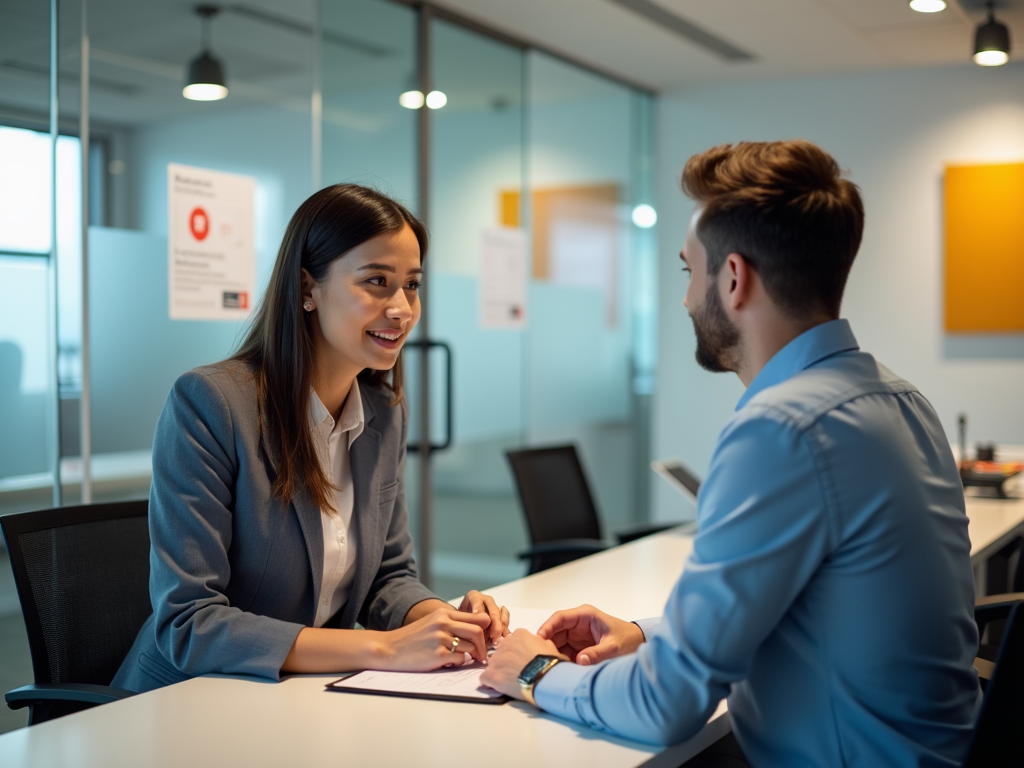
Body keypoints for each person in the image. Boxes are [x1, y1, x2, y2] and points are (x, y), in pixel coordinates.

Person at [481, 140, 979, 767]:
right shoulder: (900, 399)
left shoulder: (783, 429)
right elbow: (809, 601)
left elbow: (664, 705)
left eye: (690, 271)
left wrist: (534, 674)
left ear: (734, 279)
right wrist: (645, 634)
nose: (687, 298)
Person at [114, 184, 507, 693]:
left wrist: (445, 617)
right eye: (376, 282)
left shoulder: (383, 415)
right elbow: (190, 624)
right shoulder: (212, 404)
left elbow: (387, 576)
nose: (402, 309)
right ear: (306, 288)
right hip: (187, 700)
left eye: (411, 285)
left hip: (300, 697)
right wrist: (385, 648)